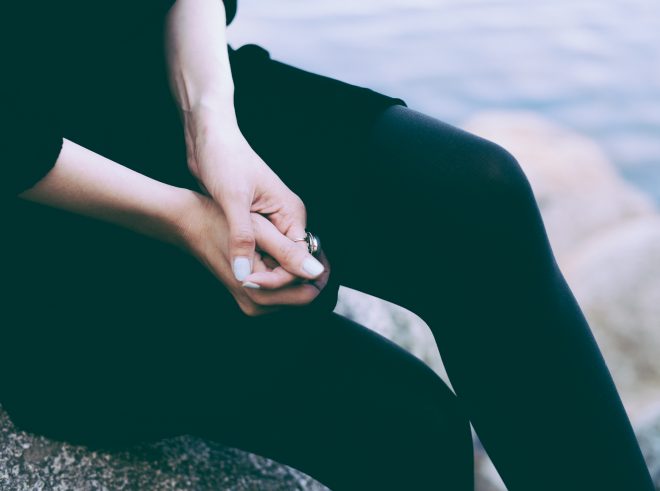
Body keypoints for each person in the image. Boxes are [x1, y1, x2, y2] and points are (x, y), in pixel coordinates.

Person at [1, 1, 654, 490]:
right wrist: (181, 216)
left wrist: (215, 133)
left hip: (157, 83)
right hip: (39, 202)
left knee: (475, 196)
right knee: (409, 429)